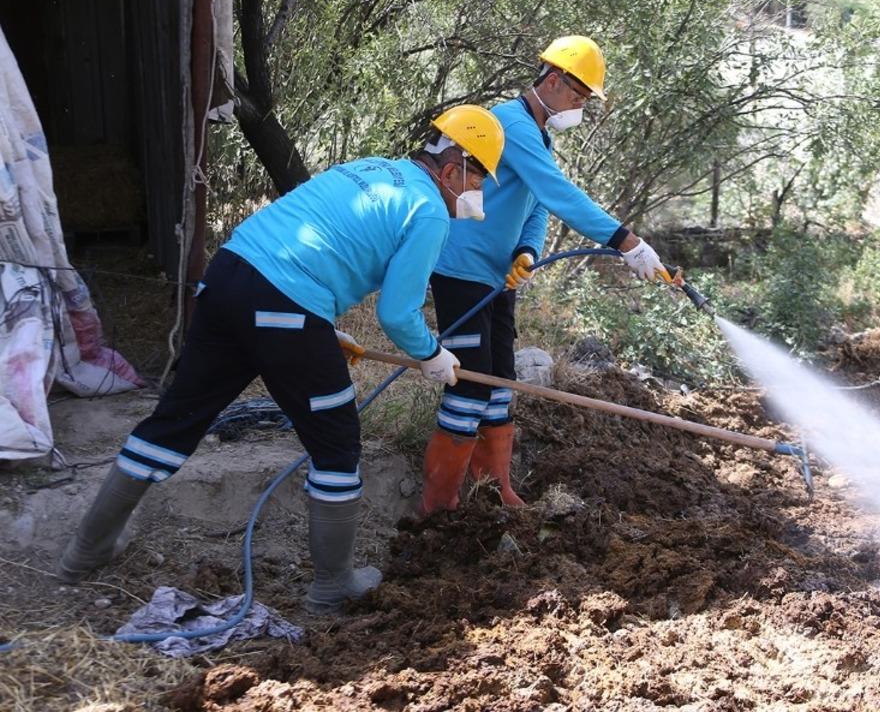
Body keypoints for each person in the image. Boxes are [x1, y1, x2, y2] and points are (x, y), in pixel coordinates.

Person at [58, 105, 505, 613]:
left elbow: (316, 244)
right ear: (452, 166)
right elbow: (398, 314)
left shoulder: (372, 168)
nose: (478, 192)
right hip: (285, 308)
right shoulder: (428, 212)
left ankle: (85, 550)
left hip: (229, 278)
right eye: (478, 178)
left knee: (176, 418)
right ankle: (333, 585)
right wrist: (432, 355)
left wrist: (320, 326)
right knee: (336, 444)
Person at [418, 35, 667, 516]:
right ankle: (439, 502)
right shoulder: (511, 124)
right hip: (462, 270)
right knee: (470, 381)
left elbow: (536, 206)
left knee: (501, 380)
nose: (580, 106)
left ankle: (494, 488)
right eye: (578, 95)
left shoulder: (540, 136)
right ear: (552, 81)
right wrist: (626, 242)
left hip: (497, 276)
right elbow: (558, 193)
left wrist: (527, 251)